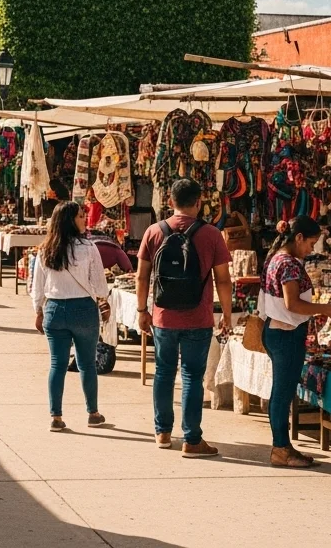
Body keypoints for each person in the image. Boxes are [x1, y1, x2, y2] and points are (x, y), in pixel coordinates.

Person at [134, 178, 233, 457]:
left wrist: (142, 311)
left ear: (170, 202)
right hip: (198, 318)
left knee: (163, 372)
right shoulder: (212, 234)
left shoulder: (154, 231)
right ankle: (192, 439)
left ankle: (162, 432)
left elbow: (142, 276)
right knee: (192, 376)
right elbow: (223, 280)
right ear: (199, 202)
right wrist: (226, 313)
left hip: (164, 317)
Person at [258, 216, 331, 468]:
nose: (312, 249)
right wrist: (325, 309)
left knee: (281, 392)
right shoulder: (289, 264)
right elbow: (292, 303)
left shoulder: (277, 258)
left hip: (277, 331)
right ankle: (280, 448)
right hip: (285, 333)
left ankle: (282, 445)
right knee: (282, 393)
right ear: (298, 238)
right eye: (311, 243)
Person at [31, 202, 110, 432]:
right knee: (87, 364)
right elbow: (99, 284)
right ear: (69, 220)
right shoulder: (88, 247)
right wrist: (103, 299)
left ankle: (56, 416)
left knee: (57, 364)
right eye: (80, 216)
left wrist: (38, 311)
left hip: (54, 310)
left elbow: (37, 286)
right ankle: (92, 413)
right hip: (84, 310)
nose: (85, 219)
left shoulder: (45, 249)